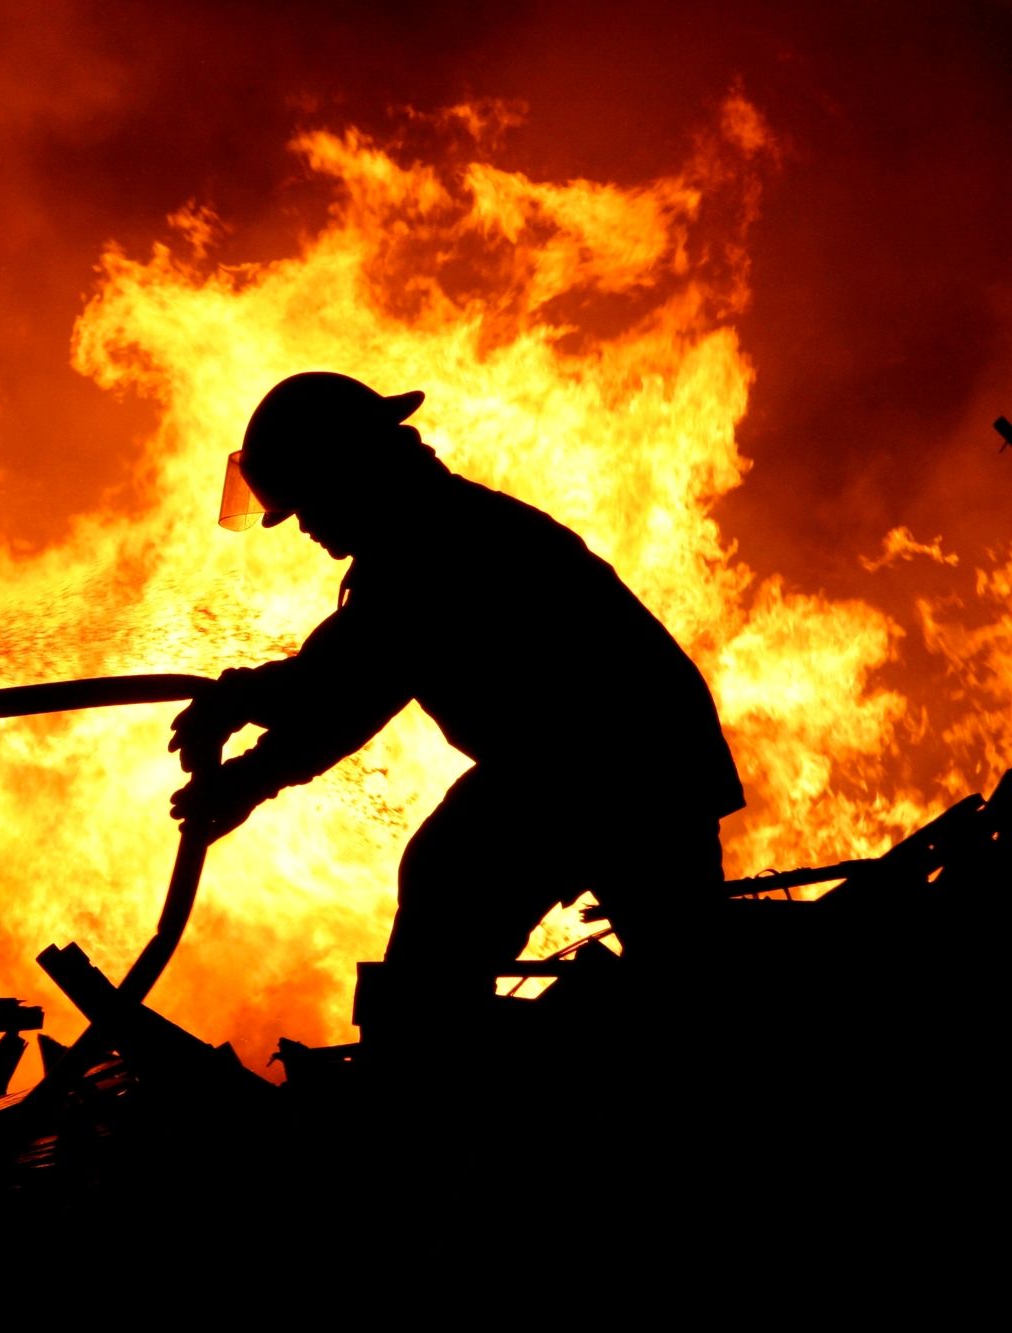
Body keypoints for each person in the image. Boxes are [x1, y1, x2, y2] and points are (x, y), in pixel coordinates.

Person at [169, 372, 744, 1045]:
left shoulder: (432, 540)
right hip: (594, 763)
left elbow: (346, 678)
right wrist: (249, 773)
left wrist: (240, 708)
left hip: (619, 765)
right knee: (671, 966)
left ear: (347, 468)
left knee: (456, 889)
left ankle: (435, 1082)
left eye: (307, 505)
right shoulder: (422, 531)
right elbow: (352, 695)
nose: (307, 529)